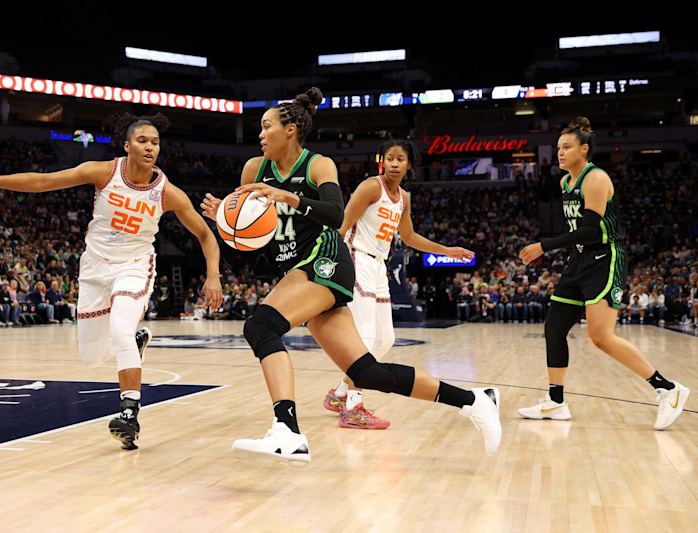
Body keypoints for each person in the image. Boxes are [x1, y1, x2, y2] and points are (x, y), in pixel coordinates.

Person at [201, 88, 500, 464]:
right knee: (366, 371)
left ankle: (287, 431)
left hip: (325, 259)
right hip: (295, 266)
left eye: (266, 126)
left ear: (290, 129)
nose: (260, 135)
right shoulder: (252, 170)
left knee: (260, 327)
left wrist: (289, 197)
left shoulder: (318, 165)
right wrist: (226, 223)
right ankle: (474, 401)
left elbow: (335, 216)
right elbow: (250, 232)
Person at [0, 112, 222, 450]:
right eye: (142, 140)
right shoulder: (104, 171)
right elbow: (43, 181)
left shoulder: (168, 192)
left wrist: (213, 275)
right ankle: (135, 343)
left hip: (135, 265)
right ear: (127, 145)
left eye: (155, 142)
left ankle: (129, 413)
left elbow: (205, 236)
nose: (150, 147)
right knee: (92, 357)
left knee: (120, 330)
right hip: (94, 267)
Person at [518, 117, 689, 429]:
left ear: (584, 149)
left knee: (600, 337)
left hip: (605, 258)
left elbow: (587, 231)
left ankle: (669, 389)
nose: (560, 152)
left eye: (567, 147)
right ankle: (556, 402)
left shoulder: (595, 179)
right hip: (579, 260)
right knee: (554, 327)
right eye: (558, 147)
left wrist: (544, 245)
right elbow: (577, 234)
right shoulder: (564, 182)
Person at [322, 139, 474, 429]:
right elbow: (342, 225)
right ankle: (353, 406)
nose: (394, 163)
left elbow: (410, 237)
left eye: (400, 159)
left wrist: (448, 250)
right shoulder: (370, 186)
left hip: (379, 265)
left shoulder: (404, 197)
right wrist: (332, 263)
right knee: (365, 335)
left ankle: (340, 393)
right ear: (383, 161)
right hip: (356, 260)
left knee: (385, 340)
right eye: (390, 158)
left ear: (408, 164)